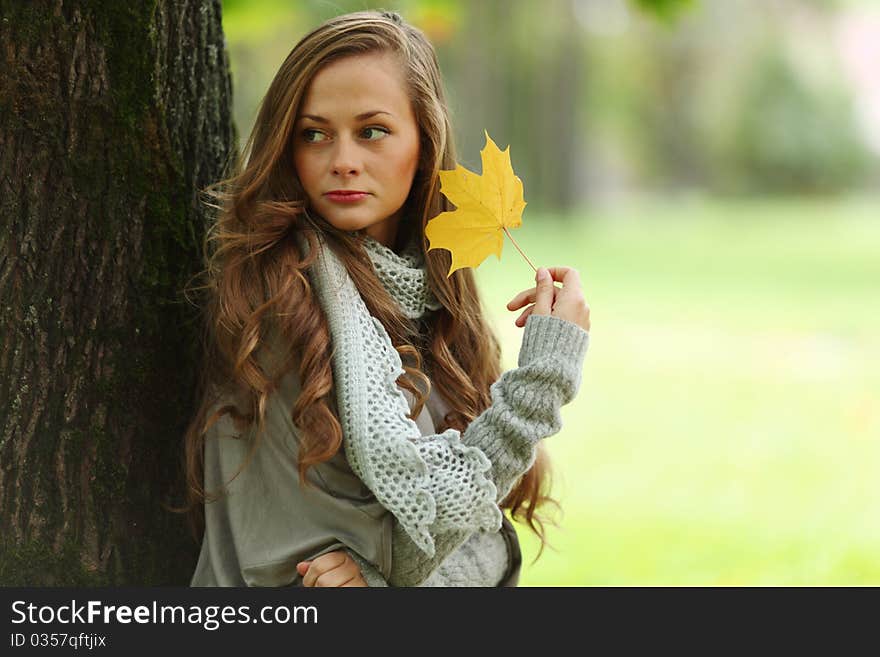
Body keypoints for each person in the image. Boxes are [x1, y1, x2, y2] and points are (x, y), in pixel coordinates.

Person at [182, 9, 591, 588]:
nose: (343, 159)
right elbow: (418, 547)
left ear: (424, 143)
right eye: (314, 133)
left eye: (372, 131)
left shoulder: (433, 295)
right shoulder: (278, 298)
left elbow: (478, 549)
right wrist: (544, 378)